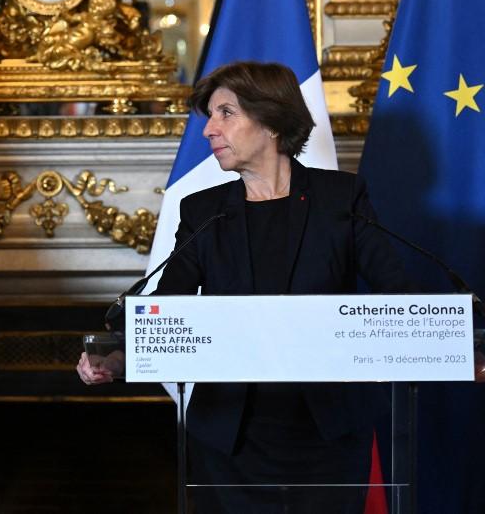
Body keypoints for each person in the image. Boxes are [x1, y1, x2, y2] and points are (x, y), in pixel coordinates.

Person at [77, 61, 408, 513]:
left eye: (225, 113)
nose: (210, 130)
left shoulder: (339, 198)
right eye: (210, 116)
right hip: (229, 438)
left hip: (327, 433)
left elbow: (399, 292)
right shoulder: (203, 210)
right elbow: (168, 308)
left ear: (271, 119)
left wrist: (460, 346)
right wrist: (115, 357)